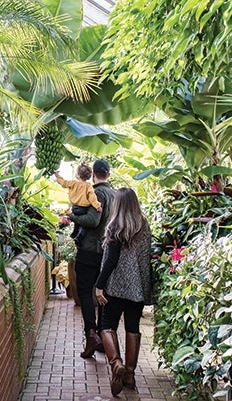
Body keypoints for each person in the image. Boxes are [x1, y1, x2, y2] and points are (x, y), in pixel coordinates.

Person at [94, 187, 152, 396]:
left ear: (117, 204)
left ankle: (116, 362)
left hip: (116, 287)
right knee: (132, 327)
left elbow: (110, 261)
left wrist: (99, 285)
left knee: (106, 325)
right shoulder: (143, 225)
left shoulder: (115, 227)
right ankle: (129, 374)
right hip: (137, 288)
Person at [69, 159, 115, 358]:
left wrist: (73, 217)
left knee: (86, 293)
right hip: (107, 251)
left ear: (94, 174)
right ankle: (103, 339)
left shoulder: (95, 193)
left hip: (90, 250)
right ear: (108, 174)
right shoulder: (115, 194)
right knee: (103, 294)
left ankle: (91, 335)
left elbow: (92, 220)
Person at [54, 164, 102, 247]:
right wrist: (97, 206)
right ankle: (79, 237)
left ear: (78, 175)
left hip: (74, 207)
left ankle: (74, 233)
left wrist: (58, 176)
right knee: (83, 224)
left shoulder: (73, 183)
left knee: (76, 221)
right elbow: (92, 197)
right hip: (83, 208)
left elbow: (64, 183)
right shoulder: (88, 186)